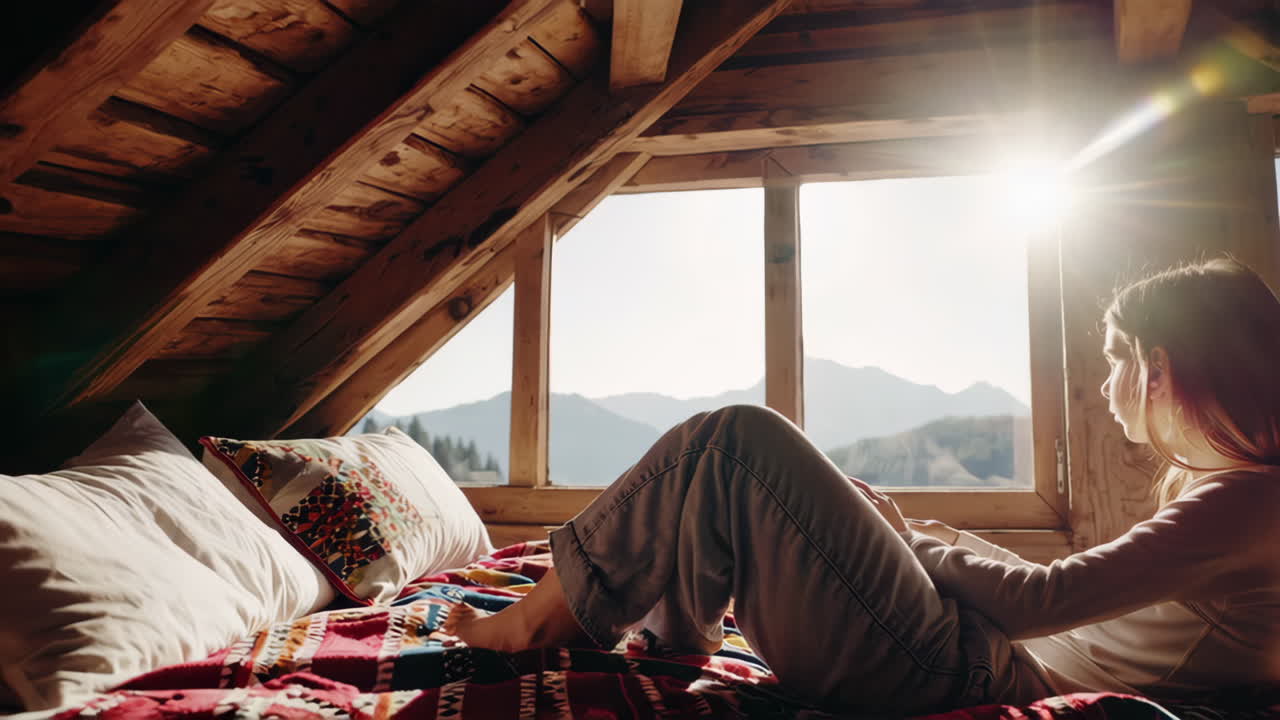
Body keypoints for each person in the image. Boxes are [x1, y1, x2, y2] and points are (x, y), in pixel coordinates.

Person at [442, 256, 1280, 715]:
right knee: (737, 462)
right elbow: (1077, 600)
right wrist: (926, 536)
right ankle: (666, 637)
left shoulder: (1248, 503)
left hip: (968, 671)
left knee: (736, 441)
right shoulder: (1234, 497)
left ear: (1159, 368)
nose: (1105, 386)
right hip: (976, 652)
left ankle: (533, 628)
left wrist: (905, 540)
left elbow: (1042, 600)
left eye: (1113, 361)